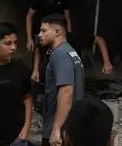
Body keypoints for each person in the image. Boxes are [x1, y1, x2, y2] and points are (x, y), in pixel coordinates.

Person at [38, 14, 85, 146]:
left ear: (57, 32)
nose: (39, 35)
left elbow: (66, 92)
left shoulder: (60, 54)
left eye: (44, 30)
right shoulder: (70, 52)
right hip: (71, 125)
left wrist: (56, 129)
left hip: (60, 129)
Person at [32, 34, 113, 82]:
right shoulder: (46, 39)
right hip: (49, 81)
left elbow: (99, 39)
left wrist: (106, 62)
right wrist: (36, 69)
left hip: (69, 81)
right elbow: (38, 49)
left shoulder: (73, 38)